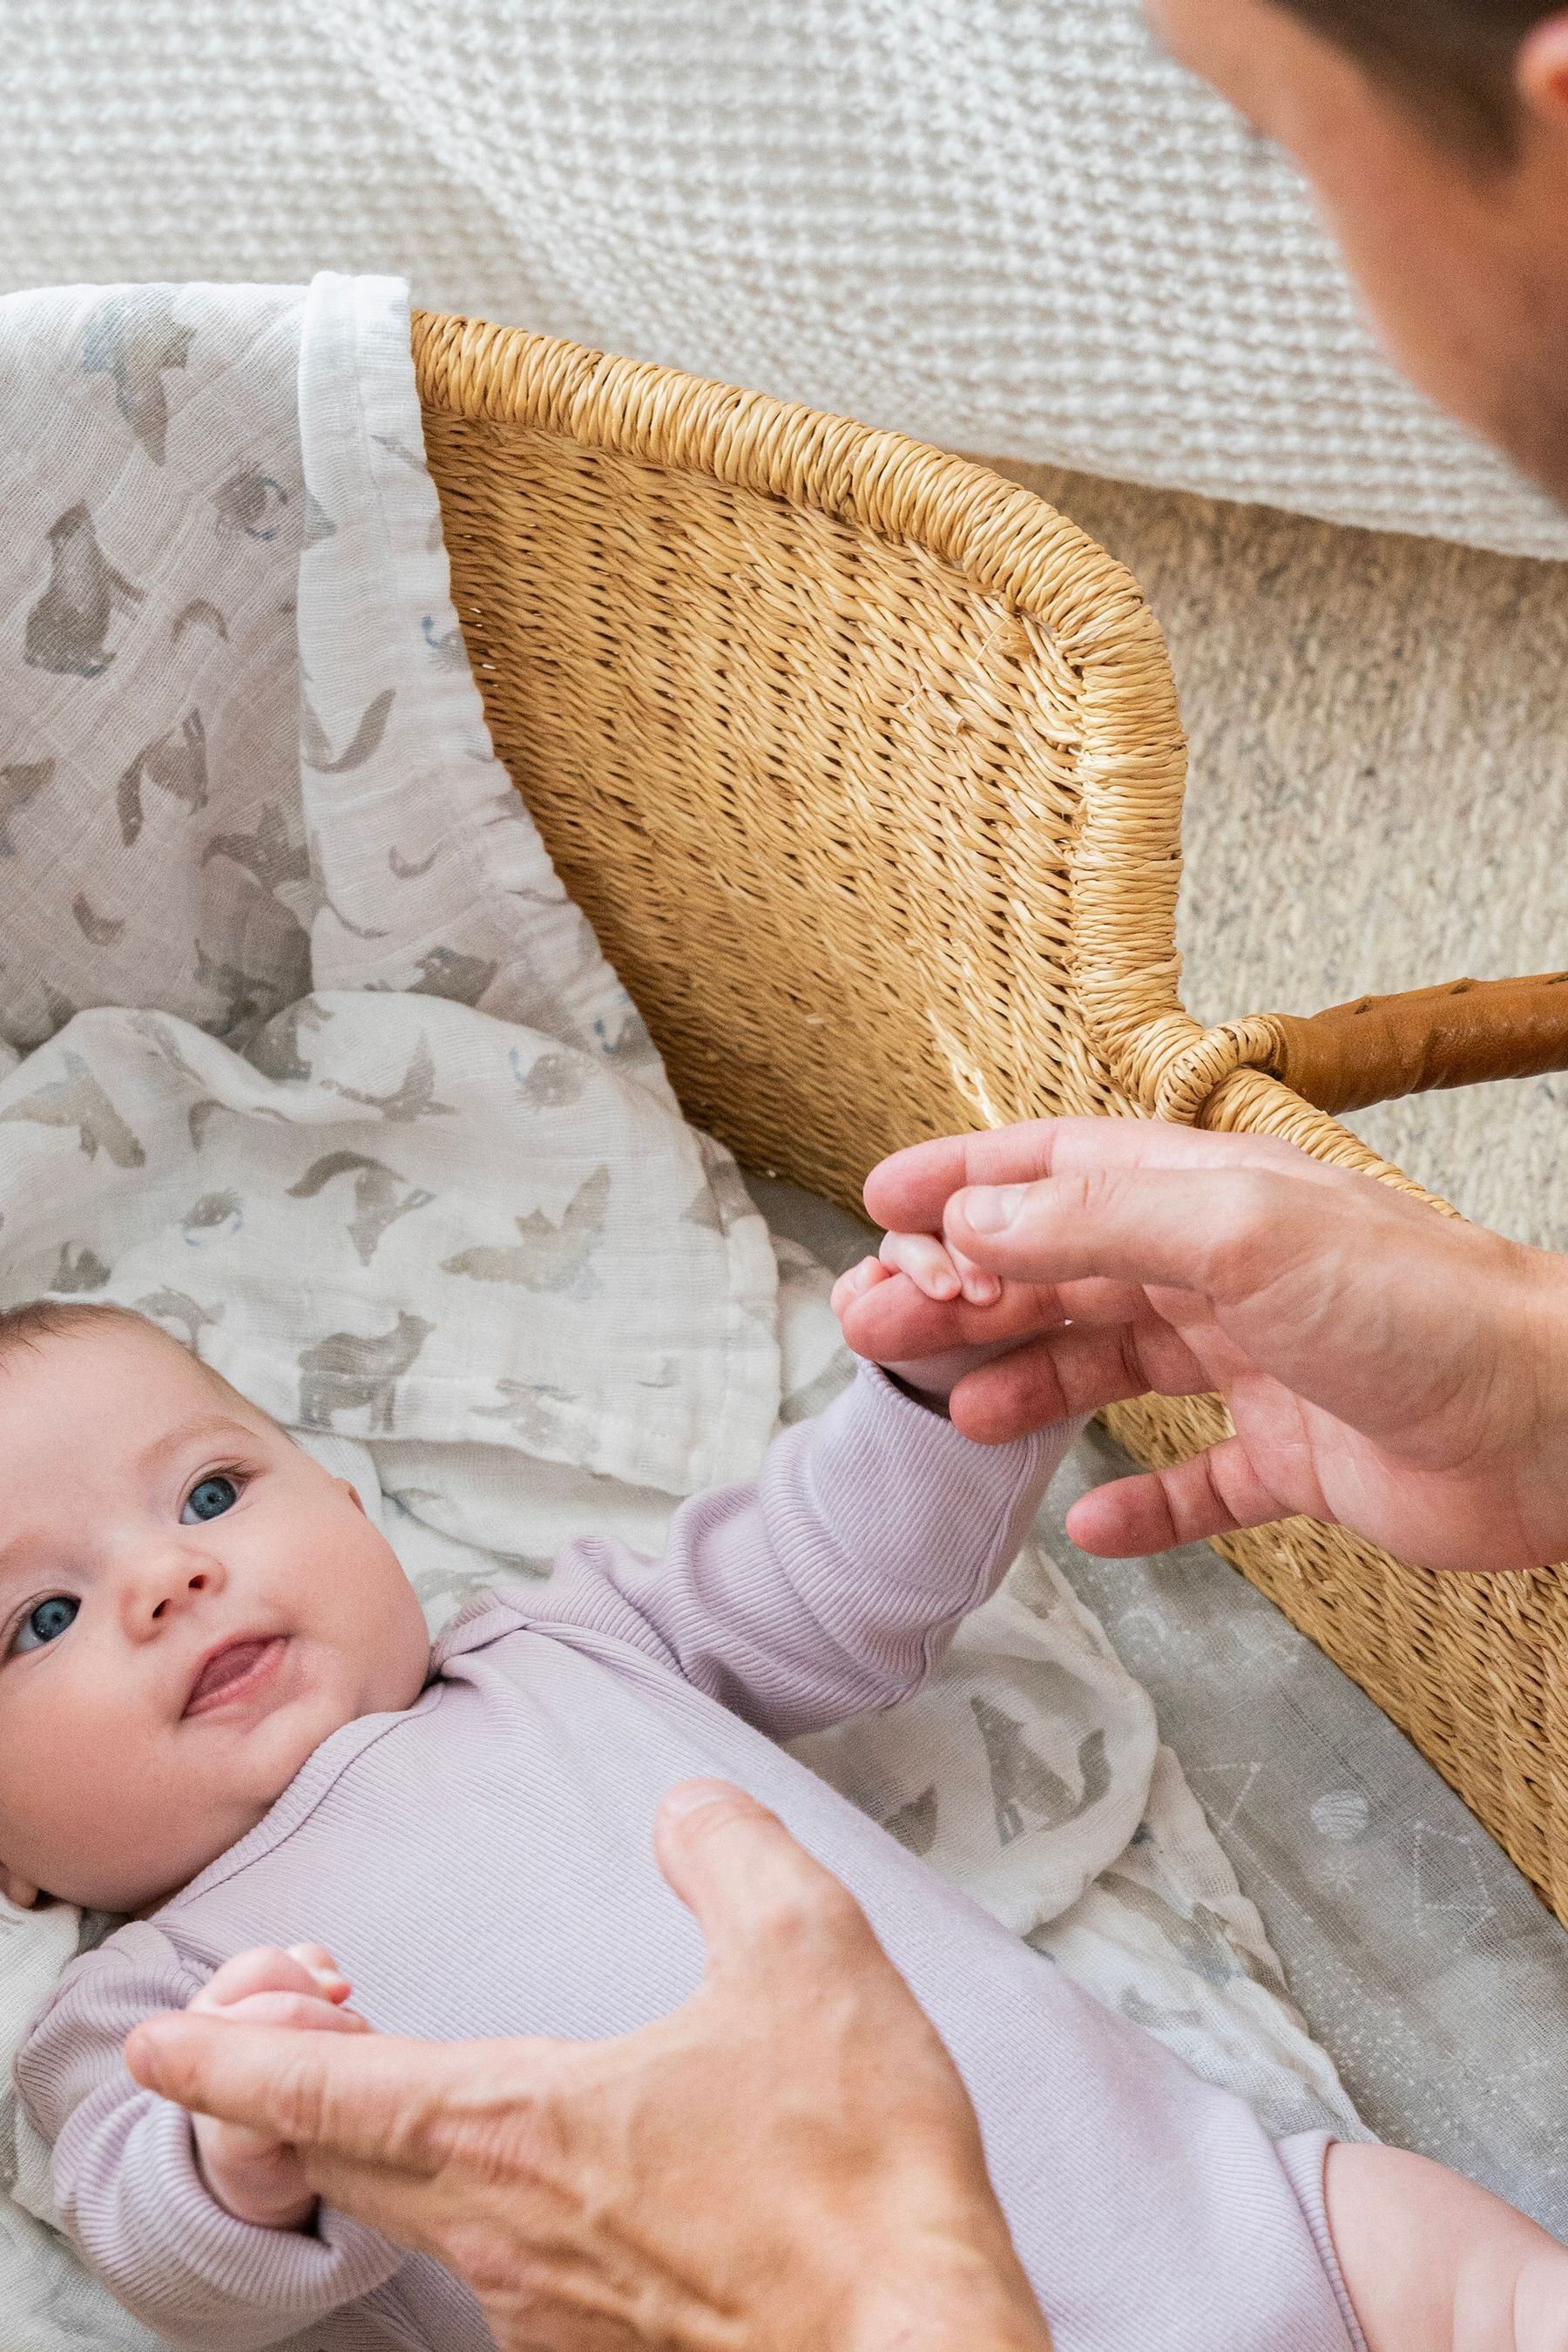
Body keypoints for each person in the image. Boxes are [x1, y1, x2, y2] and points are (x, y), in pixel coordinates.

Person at [119, 0, 1568, 2342]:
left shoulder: (549, 1653)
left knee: (1464, 2262)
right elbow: (159, 2251)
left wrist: (930, 1406)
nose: (163, 1594)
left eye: (204, 1494)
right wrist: (237, 2143)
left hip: (1255, 2222)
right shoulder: (163, 1992)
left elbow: (822, 1601)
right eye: (32, 1624)